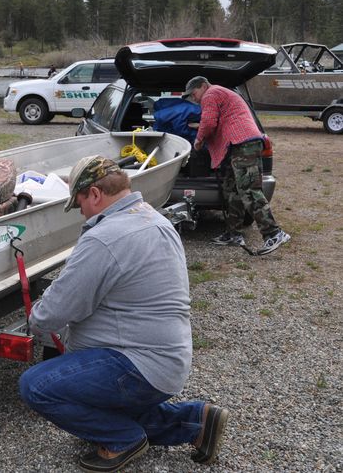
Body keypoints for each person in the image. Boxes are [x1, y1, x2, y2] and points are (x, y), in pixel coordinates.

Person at [19, 156, 228, 473]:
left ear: (95, 195)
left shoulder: (105, 238)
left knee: (36, 385)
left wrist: (34, 317)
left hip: (137, 364)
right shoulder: (156, 221)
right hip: (168, 359)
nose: (82, 213)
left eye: (80, 205)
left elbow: (53, 312)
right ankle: (194, 421)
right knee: (101, 399)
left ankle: (122, 439)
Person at [184, 76, 290, 255]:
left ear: (203, 86)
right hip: (239, 146)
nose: (194, 99)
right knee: (231, 190)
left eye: (193, 94)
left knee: (249, 190)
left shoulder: (211, 93)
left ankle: (274, 233)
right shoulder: (221, 93)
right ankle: (234, 234)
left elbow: (209, 122)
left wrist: (198, 141)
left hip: (244, 144)